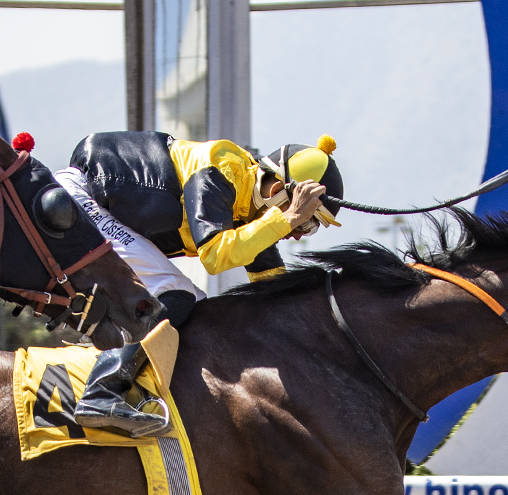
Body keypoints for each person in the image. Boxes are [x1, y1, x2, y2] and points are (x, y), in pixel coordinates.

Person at [56, 133, 344, 436]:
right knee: (176, 293)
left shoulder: (249, 207)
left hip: (98, 204)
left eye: (310, 227)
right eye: (307, 220)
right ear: (276, 191)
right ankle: (103, 392)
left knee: (191, 300)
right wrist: (288, 218)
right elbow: (215, 255)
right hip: (82, 197)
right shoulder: (220, 170)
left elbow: (276, 293)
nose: (298, 233)